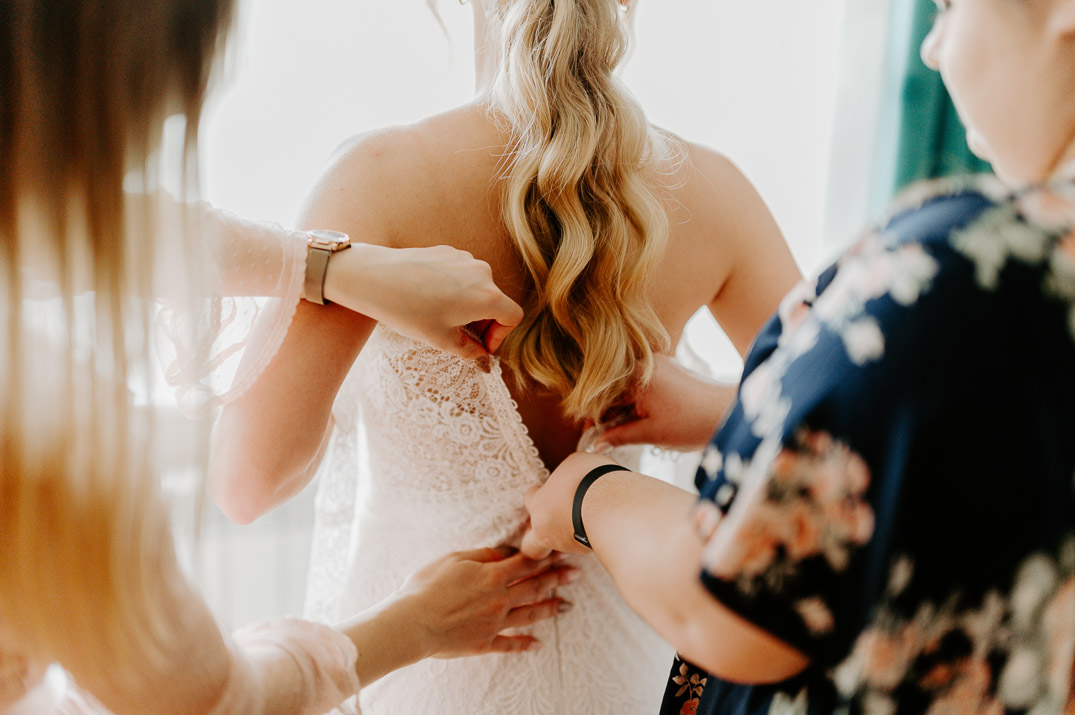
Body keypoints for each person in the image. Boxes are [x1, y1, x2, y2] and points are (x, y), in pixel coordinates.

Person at [208, 0, 801, 712]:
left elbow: (248, 482)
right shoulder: (716, 193)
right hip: (630, 676)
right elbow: (846, 432)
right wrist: (712, 407)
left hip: (432, 675)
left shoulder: (377, 180)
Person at [0, 2, 575, 713]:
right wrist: (415, 623)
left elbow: (245, 479)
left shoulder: (383, 175)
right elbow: (214, 699)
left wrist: (329, 266)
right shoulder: (45, 436)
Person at [523, 0, 1075, 711]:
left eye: (948, 7)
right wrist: (729, 410)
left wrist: (590, 493)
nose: (932, 49)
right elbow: (996, 448)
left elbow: (732, 612)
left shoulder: (971, 264)